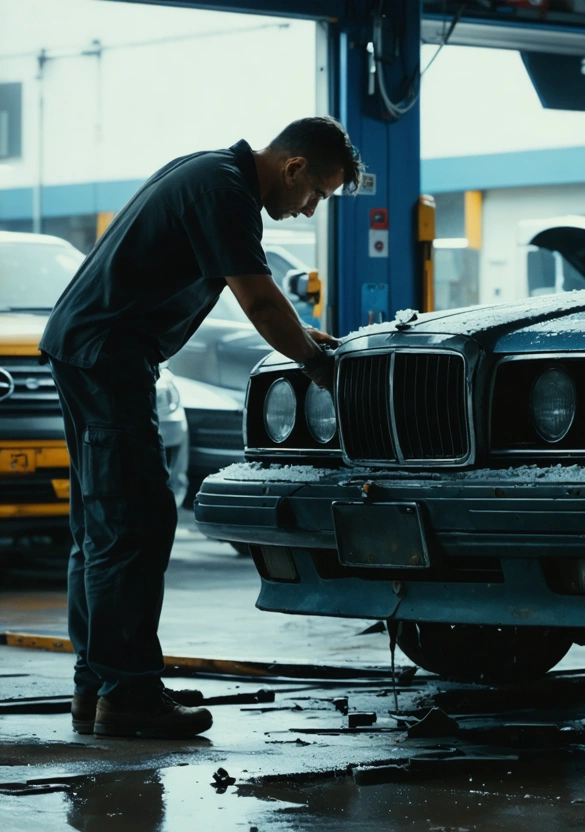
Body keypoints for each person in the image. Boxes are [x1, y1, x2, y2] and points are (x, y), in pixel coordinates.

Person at [40, 116, 362, 739]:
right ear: (294, 168)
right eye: (317, 194)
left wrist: (304, 337)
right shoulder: (225, 193)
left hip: (93, 350)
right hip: (109, 357)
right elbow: (261, 301)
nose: (309, 210)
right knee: (134, 519)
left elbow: (266, 301)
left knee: (104, 523)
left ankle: (103, 684)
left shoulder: (216, 173)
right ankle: (126, 693)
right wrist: (321, 367)